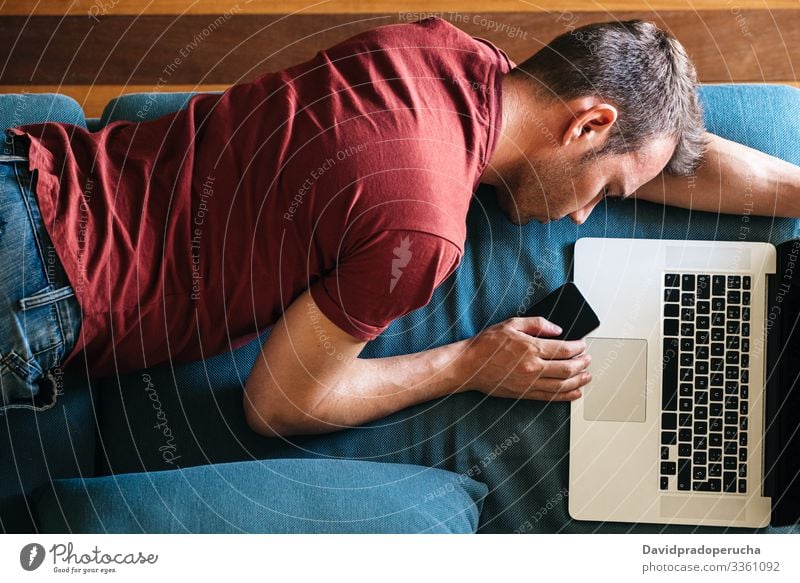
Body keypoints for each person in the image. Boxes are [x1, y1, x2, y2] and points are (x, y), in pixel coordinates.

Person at [2, 17, 798, 434]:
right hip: (39, 290)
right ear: (588, 123)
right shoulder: (425, 231)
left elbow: (673, 156)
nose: (590, 211)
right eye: (608, 187)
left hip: (26, 169)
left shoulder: (439, 48)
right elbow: (277, 402)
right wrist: (469, 363)